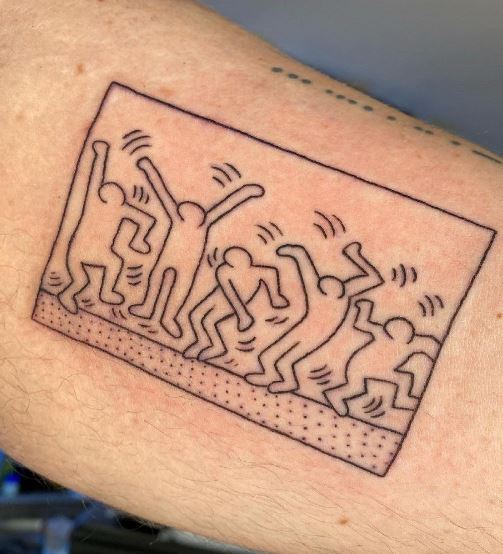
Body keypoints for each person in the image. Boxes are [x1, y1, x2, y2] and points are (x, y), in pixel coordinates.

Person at [2, 2, 502, 553]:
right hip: (173, 286)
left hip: (259, 321)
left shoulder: (322, 293)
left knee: (264, 350)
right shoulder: (199, 231)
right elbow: (36, 75)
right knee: (217, 329)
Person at [129, 157, 265, 337]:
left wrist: (247, 192)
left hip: (188, 266)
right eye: (189, 211)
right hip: (167, 259)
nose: (195, 213)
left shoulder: (203, 224)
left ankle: (168, 317)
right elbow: (161, 191)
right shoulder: (179, 219)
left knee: (179, 289)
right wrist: (148, 168)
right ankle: (147, 308)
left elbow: (226, 205)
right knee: (157, 279)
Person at [246, 242, 384, 392]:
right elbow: (306, 268)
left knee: (285, 362)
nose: (336, 284)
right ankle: (269, 375)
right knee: (267, 356)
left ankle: (289, 382)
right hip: (302, 330)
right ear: (323, 289)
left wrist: (355, 256)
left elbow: (374, 279)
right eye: (328, 284)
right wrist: (297, 253)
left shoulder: (346, 292)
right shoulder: (320, 295)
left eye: (337, 283)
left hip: (315, 336)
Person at [59, 140, 155, 314]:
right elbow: (96, 177)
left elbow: (146, 220)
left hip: (80, 251)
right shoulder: (98, 203)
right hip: (81, 250)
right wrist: (101, 155)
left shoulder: (117, 208)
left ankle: (95, 293)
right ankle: (103, 292)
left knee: (85, 278)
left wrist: (139, 240)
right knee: (98, 271)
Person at [326, 299, 441, 416]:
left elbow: (429, 344)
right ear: (390, 332)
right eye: (398, 331)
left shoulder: (410, 344)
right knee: (355, 388)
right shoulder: (381, 334)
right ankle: (335, 395)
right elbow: (362, 323)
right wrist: (365, 308)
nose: (404, 334)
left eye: (407, 331)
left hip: (381, 370)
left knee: (404, 379)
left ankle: (402, 399)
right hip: (360, 366)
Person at [184, 246, 289, 361]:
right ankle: (202, 341)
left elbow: (271, 273)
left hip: (229, 302)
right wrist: (243, 315)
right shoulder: (224, 271)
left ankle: (217, 346)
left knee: (209, 320)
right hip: (221, 296)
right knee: (195, 315)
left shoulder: (258, 272)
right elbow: (230, 293)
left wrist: (275, 297)